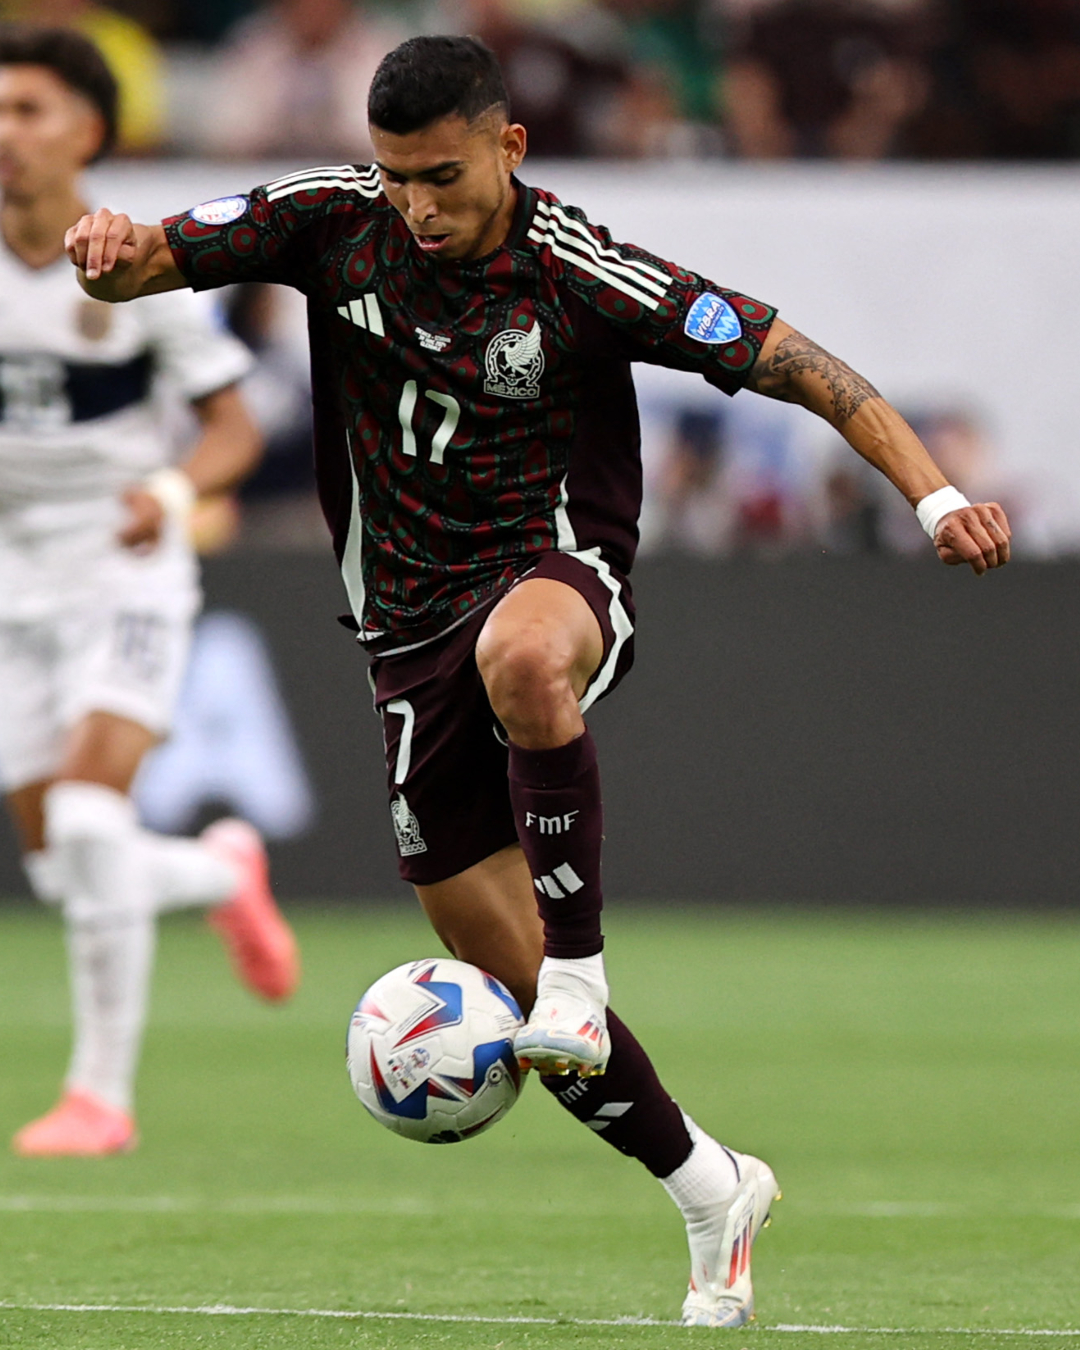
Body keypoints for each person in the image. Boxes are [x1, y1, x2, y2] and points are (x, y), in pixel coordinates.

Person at [64, 34, 1011, 1326]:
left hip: (555, 576)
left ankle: (584, 964)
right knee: (520, 1007)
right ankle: (708, 1185)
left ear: (510, 146)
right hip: (401, 638)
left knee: (526, 675)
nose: (420, 208)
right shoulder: (330, 221)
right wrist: (110, 254)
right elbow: (147, 263)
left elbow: (799, 361)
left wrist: (937, 491)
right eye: (400, 178)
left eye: (443, 176)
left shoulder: (579, 271)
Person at [0, 26, 300, 1159]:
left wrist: (170, 495)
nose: (6, 133)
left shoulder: (135, 266)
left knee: (85, 818)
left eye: (29, 109)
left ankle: (99, 1100)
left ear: (89, 129)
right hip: (9, 577)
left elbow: (232, 423)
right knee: (59, 869)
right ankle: (221, 867)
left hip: (122, 568)